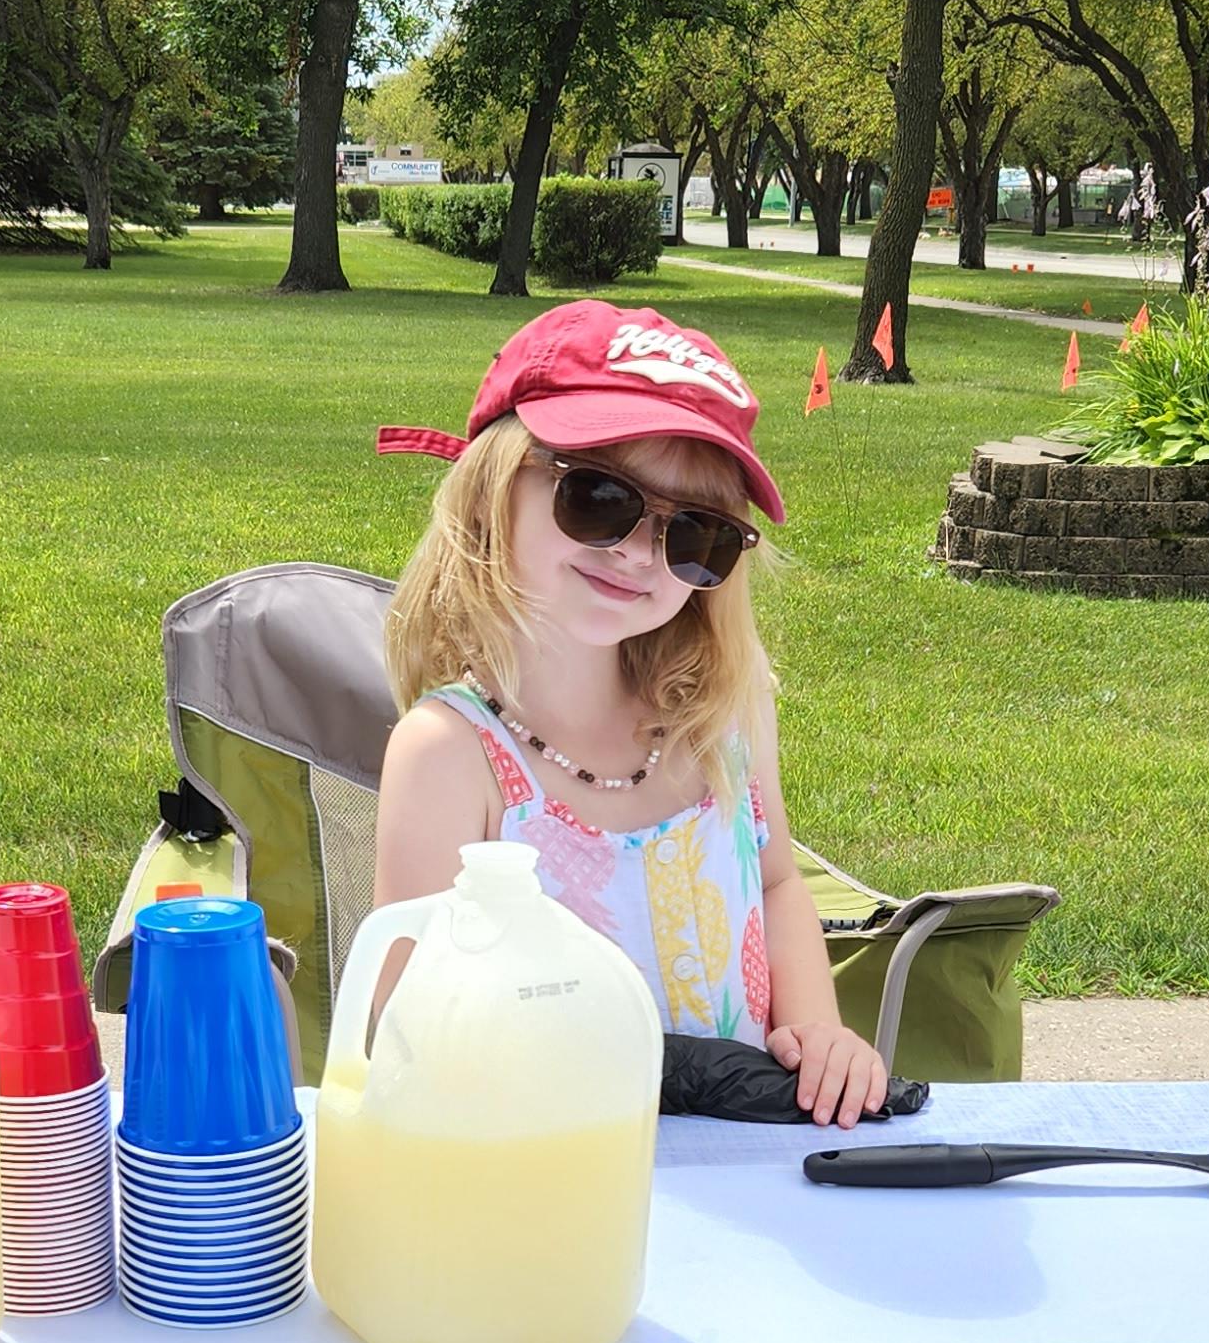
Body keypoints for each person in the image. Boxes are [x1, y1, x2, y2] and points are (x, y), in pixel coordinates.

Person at [373, 301, 890, 1123]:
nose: (639, 552)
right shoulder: (449, 755)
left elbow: (781, 881)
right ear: (493, 485)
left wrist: (816, 1033)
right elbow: (401, 1032)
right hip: (548, 1172)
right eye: (600, 497)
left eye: (697, 534)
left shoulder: (724, 718)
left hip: (744, 1159)